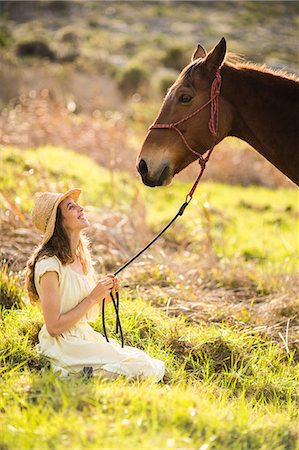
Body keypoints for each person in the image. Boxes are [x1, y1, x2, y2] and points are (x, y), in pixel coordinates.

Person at [25, 188, 165, 381]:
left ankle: (86, 373)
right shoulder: (49, 265)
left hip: (83, 336)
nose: (81, 208)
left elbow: (84, 312)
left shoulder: (81, 258)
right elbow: (54, 327)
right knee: (141, 369)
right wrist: (92, 297)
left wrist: (106, 295)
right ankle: (79, 374)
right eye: (71, 207)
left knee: (143, 362)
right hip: (63, 345)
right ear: (59, 222)